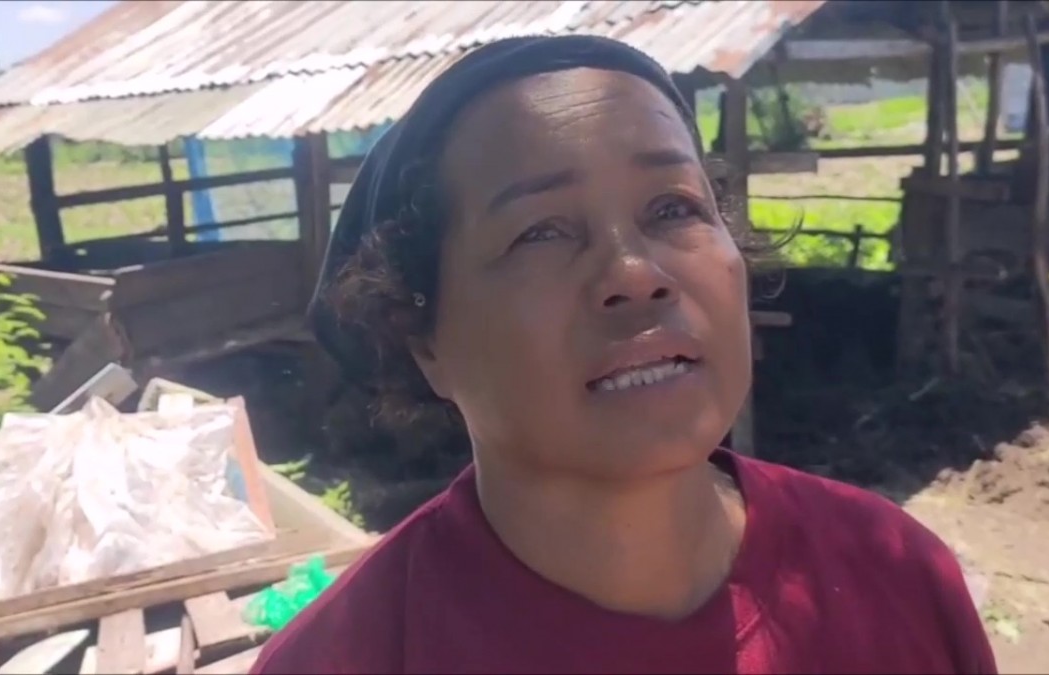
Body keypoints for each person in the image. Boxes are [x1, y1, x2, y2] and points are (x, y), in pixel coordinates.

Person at [251, 35, 996, 675]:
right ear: (423, 340)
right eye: (540, 231)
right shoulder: (352, 655)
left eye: (674, 209)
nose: (635, 274)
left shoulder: (894, 575)